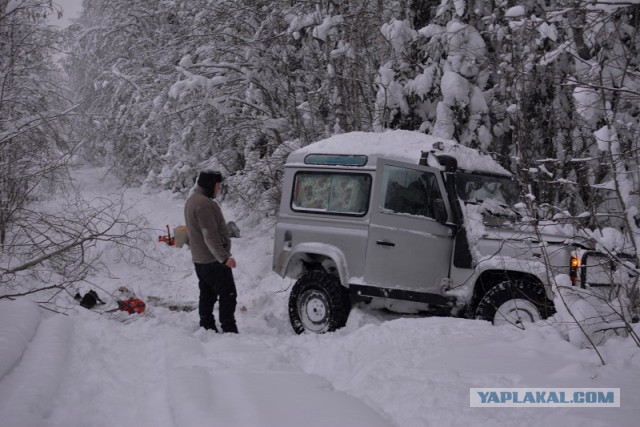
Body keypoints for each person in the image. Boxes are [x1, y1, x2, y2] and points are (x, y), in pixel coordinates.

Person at [184, 170, 238, 333]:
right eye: (217, 185)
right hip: (213, 260)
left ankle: (207, 326)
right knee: (228, 294)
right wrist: (224, 258)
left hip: (200, 259)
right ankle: (229, 328)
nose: (219, 189)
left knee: (207, 294)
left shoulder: (193, 200)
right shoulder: (204, 204)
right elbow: (210, 235)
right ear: (209, 185)